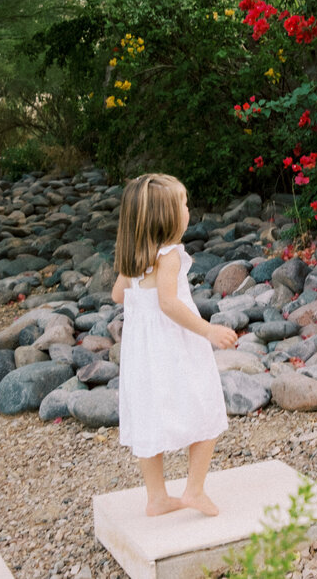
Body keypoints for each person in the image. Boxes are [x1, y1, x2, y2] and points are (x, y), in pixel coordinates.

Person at [112, 173, 238, 517]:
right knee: (206, 405)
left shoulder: (133, 256)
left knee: (149, 416)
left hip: (142, 353)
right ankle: (194, 490)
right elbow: (168, 303)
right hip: (175, 346)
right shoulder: (169, 255)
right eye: (183, 204)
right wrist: (208, 330)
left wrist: (142, 307)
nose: (187, 209)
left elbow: (118, 294)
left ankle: (156, 497)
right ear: (166, 217)